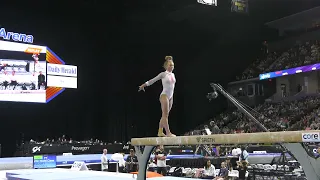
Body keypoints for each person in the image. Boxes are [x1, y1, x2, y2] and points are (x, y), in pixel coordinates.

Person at [138, 56, 176, 137]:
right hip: (164, 95)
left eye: (172, 65)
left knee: (165, 115)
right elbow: (153, 80)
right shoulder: (163, 74)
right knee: (165, 115)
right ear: (166, 66)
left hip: (170, 96)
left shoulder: (173, 75)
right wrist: (143, 85)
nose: (171, 66)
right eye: (170, 65)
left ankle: (160, 131)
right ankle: (168, 132)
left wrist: (171, 97)